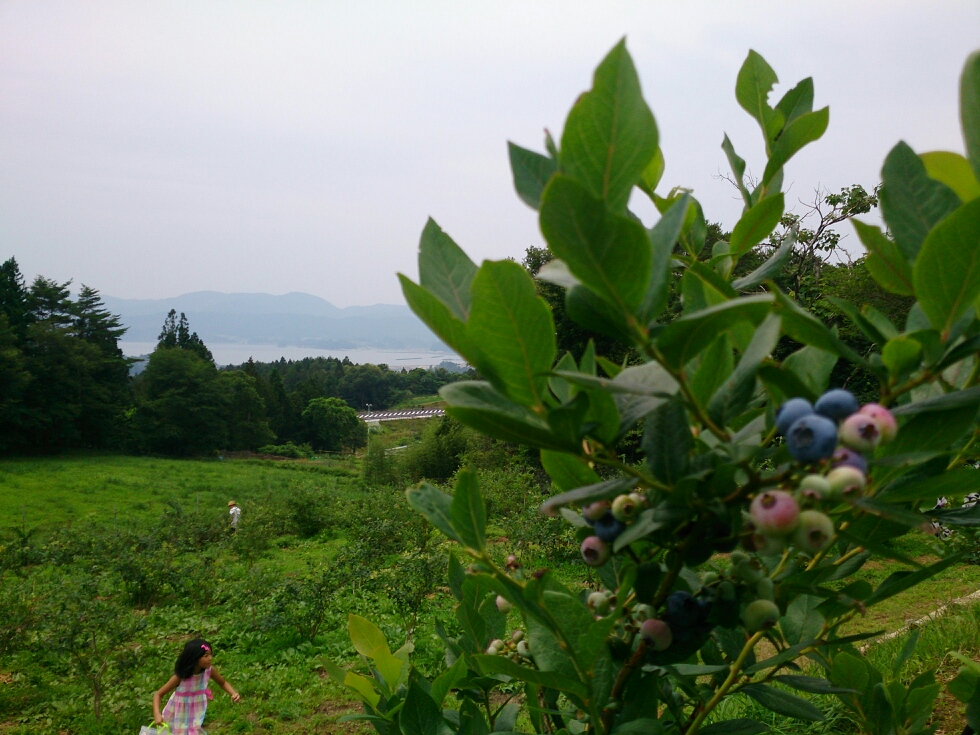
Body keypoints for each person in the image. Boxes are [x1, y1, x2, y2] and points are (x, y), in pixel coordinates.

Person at [152, 638, 240, 734]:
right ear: (194, 658)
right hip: (177, 715)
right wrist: (157, 714)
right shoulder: (181, 677)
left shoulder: (209, 671)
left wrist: (233, 693)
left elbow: (223, 683)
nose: (210, 658)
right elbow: (158, 694)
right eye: (206, 656)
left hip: (195, 712)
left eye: (210, 654)